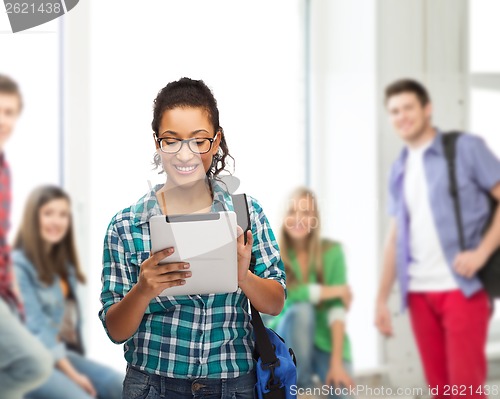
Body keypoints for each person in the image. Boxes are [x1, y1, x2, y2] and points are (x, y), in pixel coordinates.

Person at [99, 77, 286, 399]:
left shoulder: (247, 213)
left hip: (232, 386)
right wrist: (143, 290)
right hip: (152, 386)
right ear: (157, 143)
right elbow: (116, 331)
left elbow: (276, 302)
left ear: (215, 142)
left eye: (198, 140)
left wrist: (244, 276)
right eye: (172, 140)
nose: (185, 154)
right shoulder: (125, 225)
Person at [375, 78, 500, 398]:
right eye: (394, 111)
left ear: (426, 109)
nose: (401, 116)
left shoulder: (465, 149)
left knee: (465, 391)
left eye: (408, 107)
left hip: (462, 288)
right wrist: (381, 298)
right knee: (441, 390)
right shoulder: (400, 168)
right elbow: (395, 237)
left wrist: (481, 253)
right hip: (418, 292)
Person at [13, 185, 124, 399]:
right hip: (25, 362)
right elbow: (38, 333)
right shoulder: (18, 267)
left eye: (63, 214)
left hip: (57, 357)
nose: (57, 221)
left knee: (117, 385)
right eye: (48, 213)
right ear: (33, 219)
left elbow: (65, 330)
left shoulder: (63, 267)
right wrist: (74, 376)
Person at [266, 187, 354, 398]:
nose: (298, 219)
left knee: (342, 393)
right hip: (288, 344)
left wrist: (336, 364)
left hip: (325, 342)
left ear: (315, 219)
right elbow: (282, 301)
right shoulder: (273, 254)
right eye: (293, 212)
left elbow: (337, 309)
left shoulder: (332, 252)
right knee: (302, 311)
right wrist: (327, 291)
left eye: (306, 213)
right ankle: (300, 385)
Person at [0, 74, 52, 399]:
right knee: (34, 364)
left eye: (10, 112)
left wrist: (13, 295)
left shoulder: (4, 169)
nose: (4, 120)